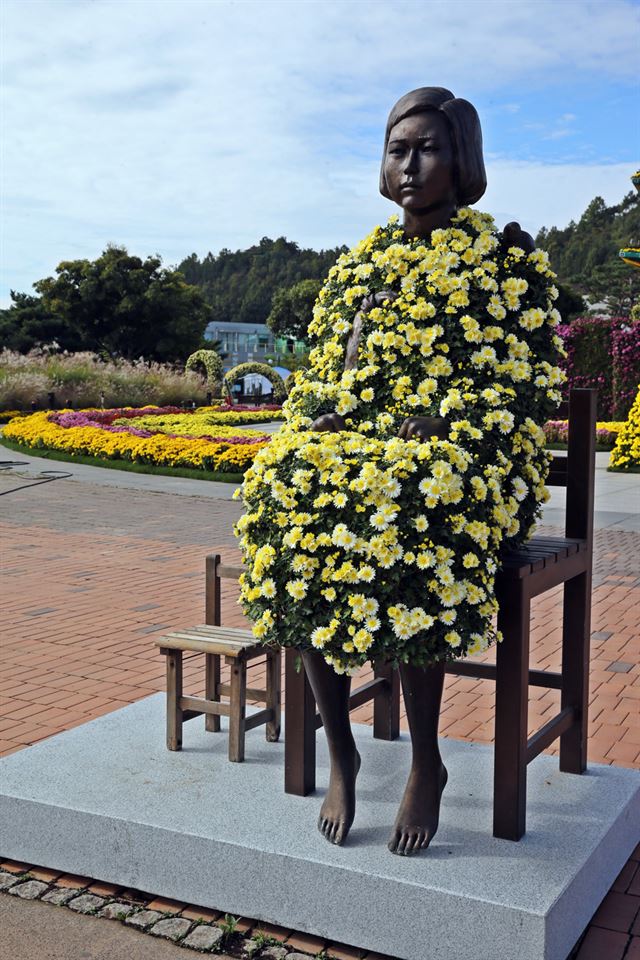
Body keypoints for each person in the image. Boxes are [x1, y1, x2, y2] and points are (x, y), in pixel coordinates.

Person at [237, 87, 562, 855]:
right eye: (398, 149)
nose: (410, 164)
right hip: (365, 463)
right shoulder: (357, 267)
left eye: (429, 148)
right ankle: (341, 750)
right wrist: (322, 407)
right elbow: (320, 374)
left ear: (462, 161)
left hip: (464, 468)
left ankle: (425, 761)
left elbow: (525, 384)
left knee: (411, 489)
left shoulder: (501, 264)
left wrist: (448, 422)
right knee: (289, 483)